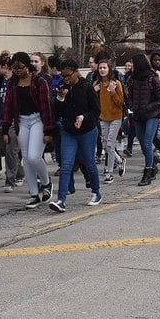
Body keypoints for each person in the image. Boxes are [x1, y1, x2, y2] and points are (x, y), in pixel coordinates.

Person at [1, 52, 54, 209]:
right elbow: (8, 107)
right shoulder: (12, 84)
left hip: (38, 119)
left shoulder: (39, 82)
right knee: (25, 158)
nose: (17, 71)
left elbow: (47, 107)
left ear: (27, 66)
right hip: (21, 121)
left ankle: (46, 183)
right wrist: (5, 129)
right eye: (14, 68)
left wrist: (49, 131)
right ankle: (33, 194)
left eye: (20, 67)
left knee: (33, 156)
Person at [49, 59, 102, 212]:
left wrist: (82, 117)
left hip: (87, 131)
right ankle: (61, 200)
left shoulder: (86, 87)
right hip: (68, 132)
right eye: (62, 76)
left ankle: (96, 192)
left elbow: (96, 110)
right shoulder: (62, 88)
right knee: (66, 165)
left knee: (89, 163)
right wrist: (59, 98)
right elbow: (56, 112)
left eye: (68, 75)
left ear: (76, 72)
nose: (65, 79)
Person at [126, 54, 160, 185]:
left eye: (133, 64)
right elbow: (129, 97)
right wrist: (132, 106)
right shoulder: (132, 79)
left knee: (148, 142)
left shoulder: (152, 78)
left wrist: (147, 107)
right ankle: (153, 161)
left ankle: (147, 172)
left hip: (151, 115)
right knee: (143, 146)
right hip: (137, 116)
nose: (131, 66)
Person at [0, 51, 24, 193]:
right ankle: (20, 173)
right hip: (0, 120)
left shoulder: (16, 80)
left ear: (5, 66)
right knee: (7, 151)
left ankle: (9, 181)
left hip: (13, 120)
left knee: (11, 150)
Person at [93, 59, 125, 184]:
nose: (102, 70)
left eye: (104, 68)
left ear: (109, 69)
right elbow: (92, 102)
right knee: (105, 145)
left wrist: (112, 92)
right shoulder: (96, 84)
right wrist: (93, 92)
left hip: (115, 117)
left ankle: (109, 172)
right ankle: (119, 160)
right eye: (100, 68)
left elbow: (120, 102)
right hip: (103, 117)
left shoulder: (116, 83)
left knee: (110, 144)